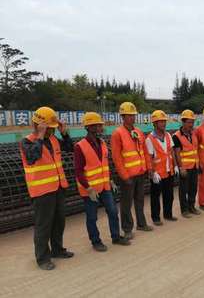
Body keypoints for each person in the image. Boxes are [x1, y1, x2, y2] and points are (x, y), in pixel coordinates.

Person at [19, 106, 74, 270]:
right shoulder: (27, 142)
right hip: (42, 192)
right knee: (43, 225)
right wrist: (41, 136)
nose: (51, 131)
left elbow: (70, 148)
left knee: (59, 222)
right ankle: (42, 258)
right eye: (49, 129)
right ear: (38, 126)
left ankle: (57, 249)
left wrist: (64, 134)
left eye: (52, 129)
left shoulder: (54, 140)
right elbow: (32, 157)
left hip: (58, 188)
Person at [74, 112, 130, 251]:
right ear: (89, 127)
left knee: (112, 211)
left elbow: (104, 164)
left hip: (105, 186)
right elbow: (79, 171)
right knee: (92, 217)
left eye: (100, 125)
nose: (101, 128)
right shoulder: (80, 146)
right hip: (91, 189)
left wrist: (110, 180)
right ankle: (95, 241)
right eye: (98, 125)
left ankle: (116, 237)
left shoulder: (103, 144)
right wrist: (88, 188)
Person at [111, 102, 152, 241]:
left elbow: (145, 152)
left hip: (140, 172)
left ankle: (141, 224)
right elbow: (116, 158)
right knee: (126, 203)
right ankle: (127, 229)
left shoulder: (138, 132)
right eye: (129, 116)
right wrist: (124, 176)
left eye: (133, 115)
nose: (132, 118)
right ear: (123, 116)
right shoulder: (118, 134)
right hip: (128, 175)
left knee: (140, 200)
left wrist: (147, 168)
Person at [146, 110, 179, 225]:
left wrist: (175, 166)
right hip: (158, 174)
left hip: (168, 171)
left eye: (164, 121)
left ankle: (168, 214)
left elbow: (172, 152)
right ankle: (156, 218)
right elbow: (149, 158)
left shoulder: (168, 135)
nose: (163, 124)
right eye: (160, 122)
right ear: (154, 124)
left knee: (169, 195)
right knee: (155, 197)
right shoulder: (149, 139)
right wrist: (152, 173)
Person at [173, 110, 201, 218]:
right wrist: (181, 168)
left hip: (194, 166)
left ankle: (192, 207)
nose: (191, 124)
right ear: (183, 123)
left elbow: (195, 149)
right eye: (189, 122)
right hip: (185, 168)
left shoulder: (193, 134)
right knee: (183, 190)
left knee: (193, 188)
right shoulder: (176, 136)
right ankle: (184, 210)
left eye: (192, 122)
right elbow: (177, 153)